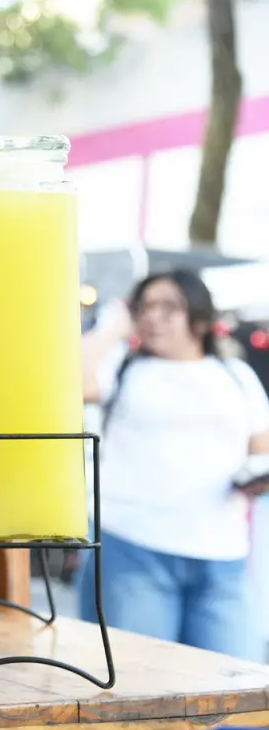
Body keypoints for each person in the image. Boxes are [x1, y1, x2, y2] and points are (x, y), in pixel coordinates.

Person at [78, 269, 269, 658]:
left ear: (199, 317)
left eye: (169, 306)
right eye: (145, 306)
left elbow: (260, 447)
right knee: (141, 689)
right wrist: (112, 328)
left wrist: (256, 478)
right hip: (134, 547)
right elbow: (69, 381)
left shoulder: (235, 375)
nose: (153, 316)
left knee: (234, 687)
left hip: (222, 555)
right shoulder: (124, 368)